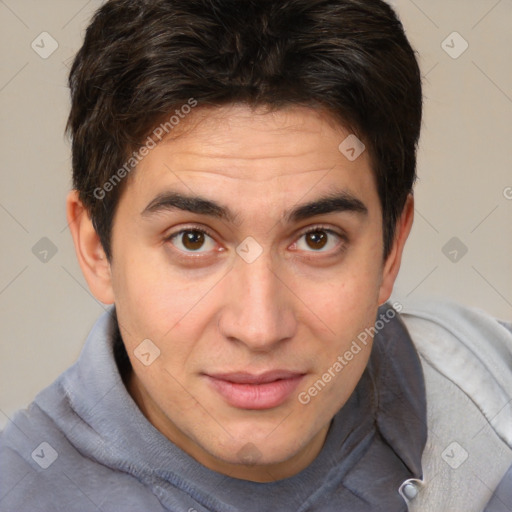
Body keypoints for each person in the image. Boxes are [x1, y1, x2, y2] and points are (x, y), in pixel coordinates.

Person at [1, 0, 511, 510]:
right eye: (193, 239)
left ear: (391, 248)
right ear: (97, 251)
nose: (260, 328)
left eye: (317, 239)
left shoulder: (491, 390)